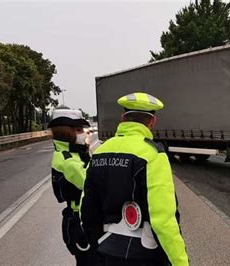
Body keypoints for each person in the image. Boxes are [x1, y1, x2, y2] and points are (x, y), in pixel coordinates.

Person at [81, 92, 188, 266]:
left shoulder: (99, 152)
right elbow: (163, 220)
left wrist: (97, 246)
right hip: (144, 255)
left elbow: (87, 208)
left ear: (123, 118)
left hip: (108, 249)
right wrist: (180, 261)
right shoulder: (153, 154)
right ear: (152, 122)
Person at [48, 109, 102, 265]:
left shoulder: (70, 154)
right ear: (66, 132)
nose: (84, 133)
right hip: (81, 221)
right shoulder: (69, 162)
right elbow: (93, 185)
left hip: (77, 219)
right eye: (78, 130)